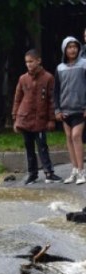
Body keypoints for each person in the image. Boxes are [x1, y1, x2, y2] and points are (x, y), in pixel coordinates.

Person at [12, 49, 61, 185]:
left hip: (40, 119)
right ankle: (32, 173)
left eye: (31, 61)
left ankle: (49, 172)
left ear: (38, 61)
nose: (29, 64)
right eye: (27, 62)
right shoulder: (23, 79)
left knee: (42, 146)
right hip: (25, 118)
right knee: (29, 147)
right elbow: (17, 99)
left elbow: (52, 100)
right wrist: (15, 118)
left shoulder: (48, 78)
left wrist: (51, 119)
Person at [54, 37, 86, 184]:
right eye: (69, 47)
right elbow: (56, 90)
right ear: (64, 50)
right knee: (69, 138)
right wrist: (57, 110)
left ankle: (81, 171)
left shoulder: (84, 65)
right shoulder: (60, 68)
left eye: (75, 47)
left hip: (80, 109)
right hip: (65, 109)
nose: (72, 50)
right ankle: (73, 169)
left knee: (76, 136)